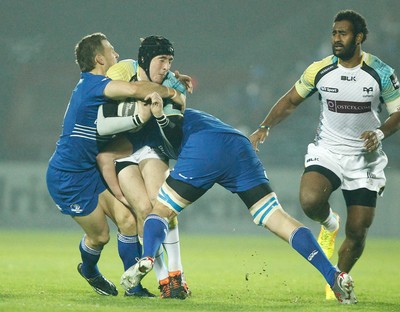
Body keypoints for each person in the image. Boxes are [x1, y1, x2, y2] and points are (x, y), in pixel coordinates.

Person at [118, 96, 358, 304]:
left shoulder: (145, 126)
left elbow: (164, 128)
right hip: (237, 142)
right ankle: (333, 276)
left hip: (203, 145)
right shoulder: (181, 107)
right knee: (276, 217)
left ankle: (147, 257)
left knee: (160, 211)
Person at [249, 10, 400, 300]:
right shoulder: (320, 69)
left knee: (357, 233)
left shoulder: (381, 72)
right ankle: (329, 224)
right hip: (327, 151)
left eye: (343, 33)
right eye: (334, 33)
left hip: (364, 160)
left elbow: (398, 113)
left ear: (358, 38)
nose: (336, 39)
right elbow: (291, 100)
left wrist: (379, 133)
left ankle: (337, 284)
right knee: (310, 200)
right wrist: (264, 127)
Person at [45, 32, 184, 297]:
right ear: (99, 58)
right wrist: (171, 92)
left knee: (128, 219)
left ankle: (134, 287)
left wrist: (172, 77)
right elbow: (135, 89)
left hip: (89, 170)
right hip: (68, 176)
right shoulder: (95, 84)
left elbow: (137, 84)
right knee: (100, 238)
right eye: (111, 51)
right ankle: (90, 270)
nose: (117, 55)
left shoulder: (97, 85)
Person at [98, 35, 191, 299]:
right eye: (161, 59)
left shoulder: (172, 82)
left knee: (159, 204)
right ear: (145, 60)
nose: (166, 66)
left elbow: (178, 116)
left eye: (170, 61)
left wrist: (175, 95)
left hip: (153, 148)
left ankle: (176, 275)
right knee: (142, 210)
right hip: (123, 152)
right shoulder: (122, 72)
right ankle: (164, 282)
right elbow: (105, 106)